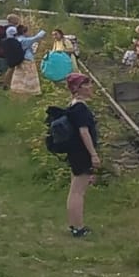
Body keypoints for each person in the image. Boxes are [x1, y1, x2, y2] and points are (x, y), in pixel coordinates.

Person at [53, 72, 101, 238]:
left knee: (75, 189)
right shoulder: (80, 108)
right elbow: (84, 132)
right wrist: (93, 154)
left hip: (76, 152)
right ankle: (78, 228)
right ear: (77, 89)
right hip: (82, 152)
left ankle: (75, 225)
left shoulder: (73, 105)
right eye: (86, 85)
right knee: (78, 192)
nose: (90, 88)